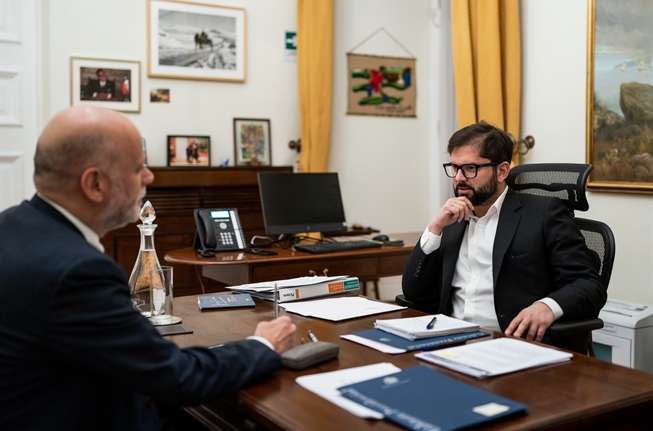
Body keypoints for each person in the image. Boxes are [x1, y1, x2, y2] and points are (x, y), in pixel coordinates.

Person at [0, 106, 297, 430]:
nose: (149, 177)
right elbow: (177, 377)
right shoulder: (78, 271)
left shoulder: (11, 226)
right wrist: (262, 345)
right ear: (95, 184)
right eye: (138, 167)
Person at [402, 121, 606, 343]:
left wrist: (546, 307)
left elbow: (588, 284)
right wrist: (435, 228)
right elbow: (414, 294)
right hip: (451, 341)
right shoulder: (453, 219)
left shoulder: (544, 213)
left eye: (470, 168)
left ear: (502, 171)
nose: (459, 177)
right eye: (455, 168)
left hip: (511, 344)